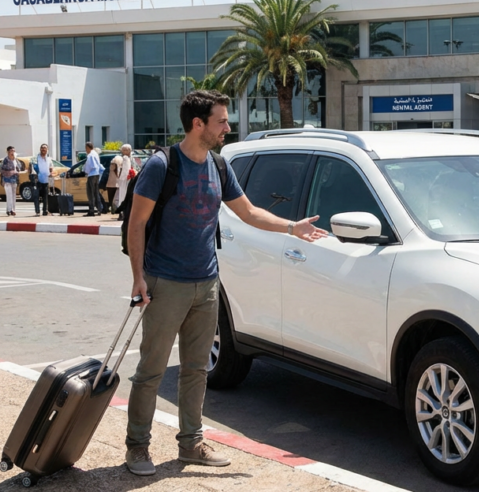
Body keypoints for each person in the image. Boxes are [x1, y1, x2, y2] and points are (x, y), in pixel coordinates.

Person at [124, 90, 327, 477]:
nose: (227, 128)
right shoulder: (161, 166)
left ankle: (191, 444)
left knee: (197, 369)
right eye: (221, 120)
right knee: (151, 370)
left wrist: (291, 227)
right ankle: (137, 447)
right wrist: (138, 278)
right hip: (165, 282)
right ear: (198, 124)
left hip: (207, 282)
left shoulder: (218, 165)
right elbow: (136, 224)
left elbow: (247, 212)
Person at [0, 146, 23, 216]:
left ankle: (11, 209)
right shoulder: (6, 160)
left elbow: (19, 168)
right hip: (7, 179)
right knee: (9, 195)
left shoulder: (15, 160)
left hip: (14, 179)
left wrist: (17, 171)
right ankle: (10, 210)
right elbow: (1, 169)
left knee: (13, 195)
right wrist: (10, 172)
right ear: (8, 152)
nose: (12, 152)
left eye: (13, 151)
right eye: (11, 151)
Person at [32, 144, 53, 216]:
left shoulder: (49, 158)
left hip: (46, 180)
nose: (44, 149)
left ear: (47, 150)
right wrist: (34, 176)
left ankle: (45, 211)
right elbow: (31, 168)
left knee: (46, 197)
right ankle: (37, 211)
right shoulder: (36, 158)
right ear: (40, 149)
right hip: (37, 180)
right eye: (42, 148)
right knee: (36, 196)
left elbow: (51, 167)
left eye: (45, 148)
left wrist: (51, 173)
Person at [83, 142, 103, 217]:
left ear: (88, 147)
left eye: (86, 148)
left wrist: (86, 171)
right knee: (96, 192)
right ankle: (99, 209)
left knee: (90, 193)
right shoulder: (95, 153)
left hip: (91, 174)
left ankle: (91, 211)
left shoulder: (90, 155)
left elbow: (91, 166)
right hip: (97, 174)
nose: (86, 150)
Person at [117, 144, 134, 216]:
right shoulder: (124, 158)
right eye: (124, 150)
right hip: (125, 179)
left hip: (127, 179)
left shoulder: (128, 158)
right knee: (123, 196)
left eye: (126, 150)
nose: (125, 151)